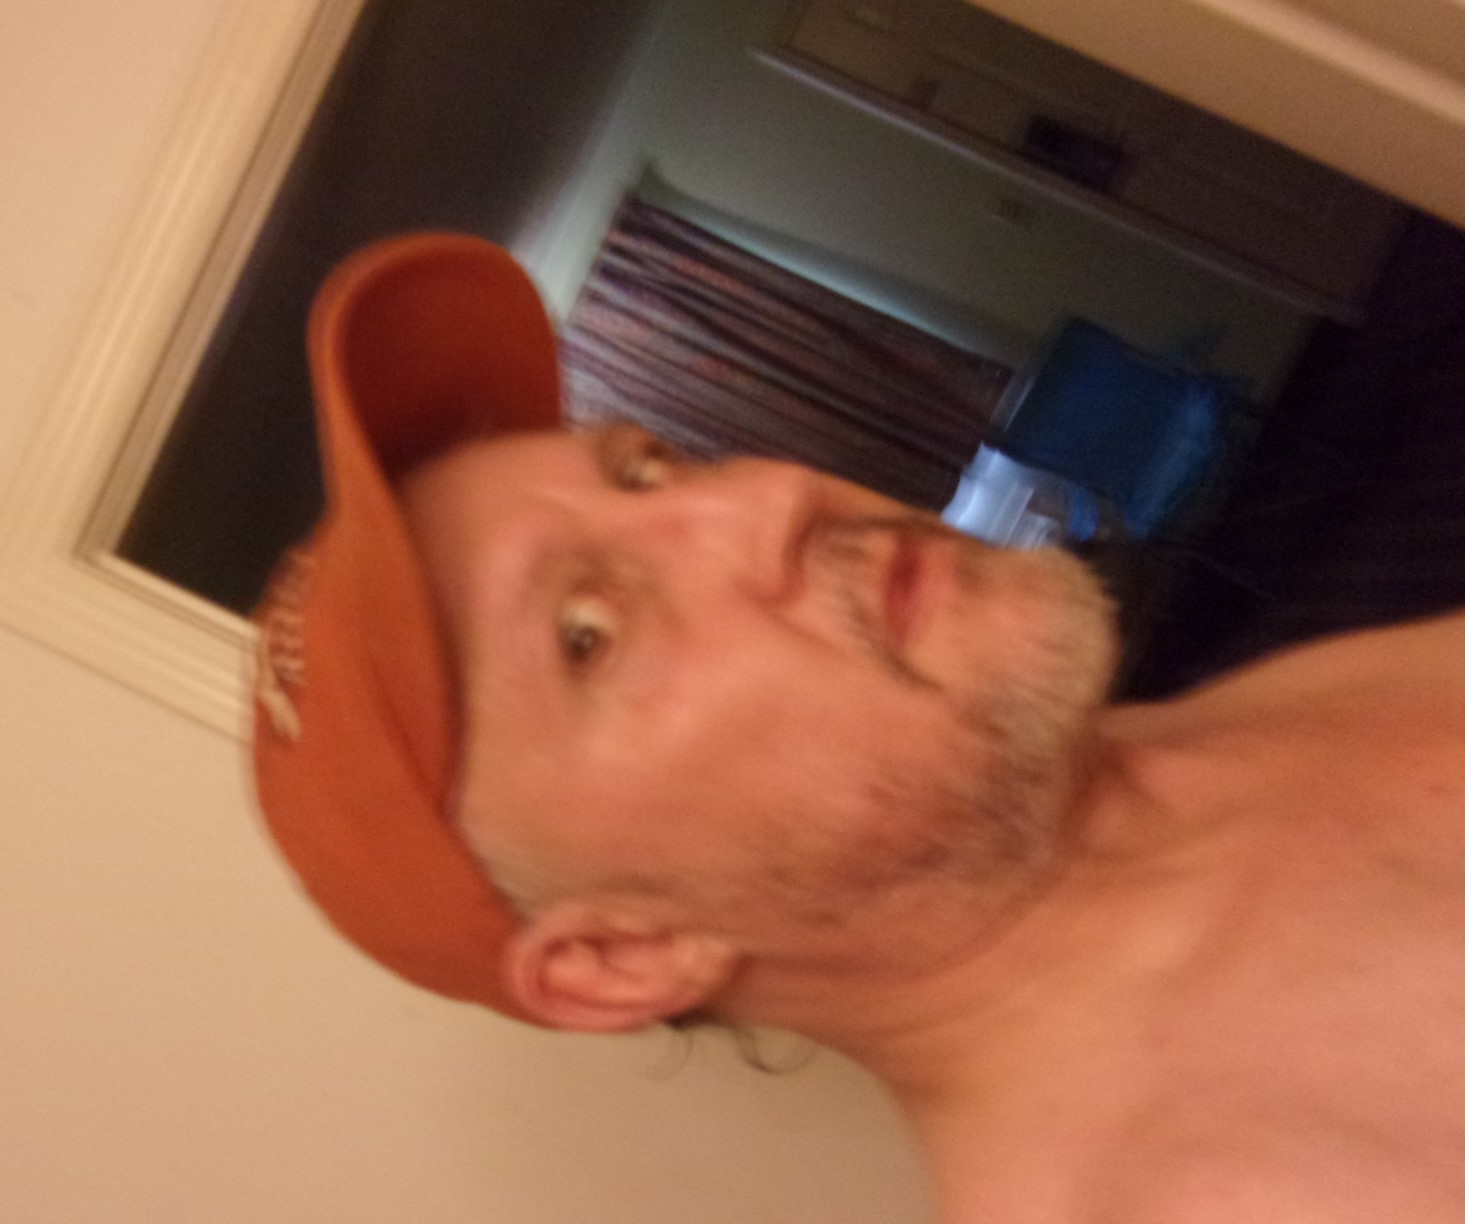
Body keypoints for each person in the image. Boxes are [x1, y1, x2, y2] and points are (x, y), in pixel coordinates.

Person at [252, 234, 1465, 1223]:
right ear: (624, 955)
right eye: (587, 633)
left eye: (650, 472)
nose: (768, 497)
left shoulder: (1262, 710)